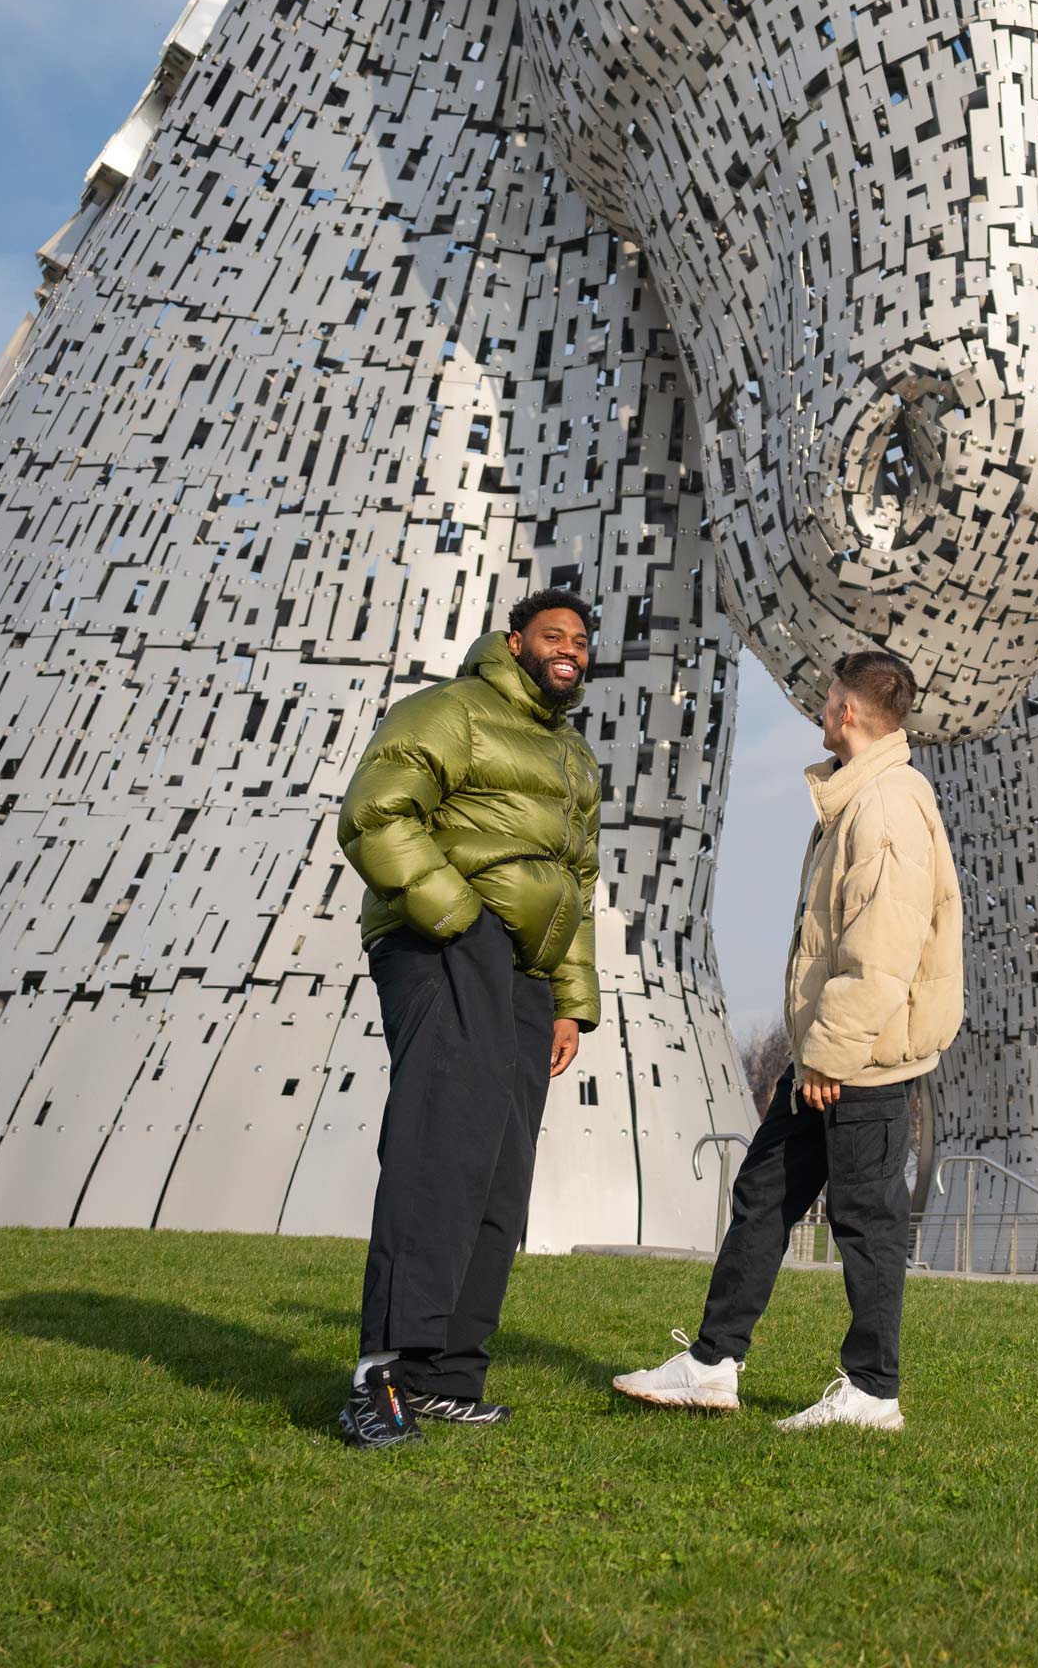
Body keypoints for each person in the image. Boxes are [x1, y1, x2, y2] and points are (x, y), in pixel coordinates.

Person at [615, 649, 960, 1434]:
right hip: (826, 1057)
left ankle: (873, 1391)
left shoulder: (887, 807)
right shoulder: (860, 796)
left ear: (846, 711)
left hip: (859, 1060)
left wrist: (831, 1058)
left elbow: (882, 951)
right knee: (765, 1195)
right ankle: (711, 1365)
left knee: (866, 1223)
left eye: (829, 695)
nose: (822, 704)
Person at [330, 586, 604, 1450]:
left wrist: (569, 1003)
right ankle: (382, 1379)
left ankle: (449, 1375)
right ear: (514, 642)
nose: (571, 648)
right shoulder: (452, 710)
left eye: (581, 641)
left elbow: (578, 884)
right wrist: (458, 917)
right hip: (446, 949)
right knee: (440, 1152)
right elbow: (376, 814)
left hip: (523, 973)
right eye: (553, 634)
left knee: (498, 1172)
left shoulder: (573, 758)